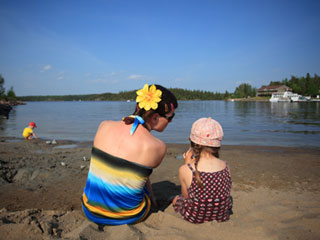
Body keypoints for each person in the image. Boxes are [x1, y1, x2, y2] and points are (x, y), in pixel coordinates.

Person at [81, 84, 178, 226]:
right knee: (139, 175)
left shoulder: (104, 125)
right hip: (127, 216)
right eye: (170, 118)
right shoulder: (158, 147)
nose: (171, 121)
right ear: (155, 117)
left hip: (90, 209)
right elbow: (144, 175)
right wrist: (152, 198)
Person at [172, 117, 232, 223]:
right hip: (220, 215)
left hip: (196, 216)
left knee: (177, 199)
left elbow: (186, 195)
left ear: (193, 143)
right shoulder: (225, 166)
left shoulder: (185, 169)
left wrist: (187, 164)